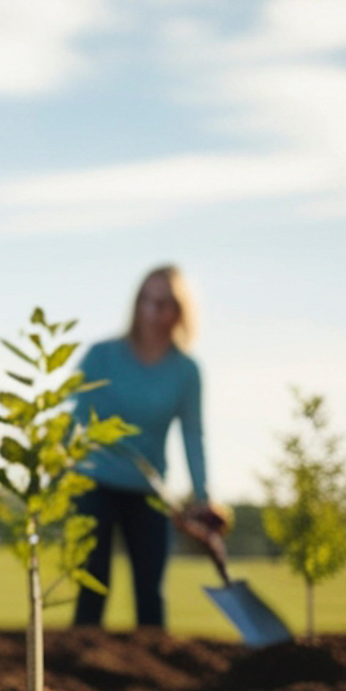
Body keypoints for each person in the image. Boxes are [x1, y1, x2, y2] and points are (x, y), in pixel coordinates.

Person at [71, 264, 225, 628]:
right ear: (137, 305)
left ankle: (152, 677)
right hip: (95, 483)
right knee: (93, 584)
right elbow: (75, 419)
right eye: (148, 301)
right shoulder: (101, 357)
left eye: (166, 304)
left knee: (151, 591)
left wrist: (202, 498)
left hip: (149, 490)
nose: (155, 312)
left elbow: (193, 436)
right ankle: (73, 674)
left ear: (180, 312)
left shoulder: (186, 371)